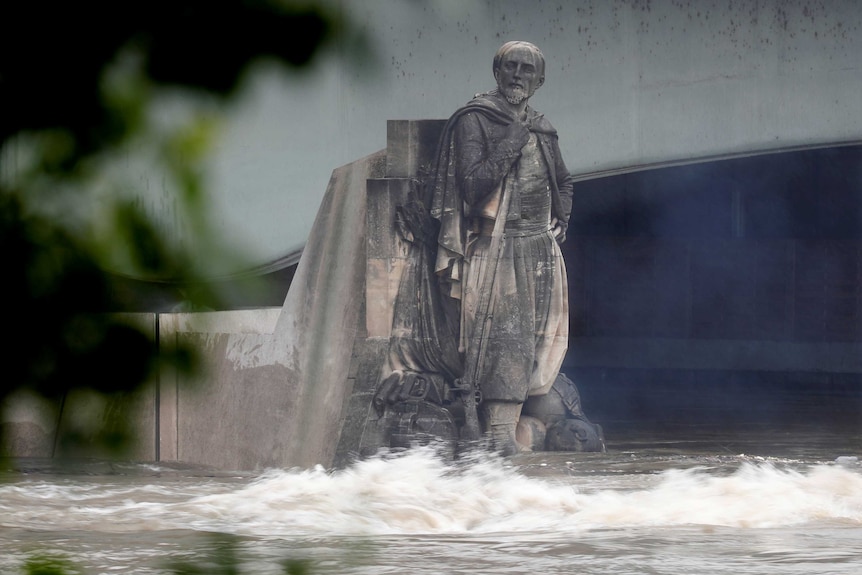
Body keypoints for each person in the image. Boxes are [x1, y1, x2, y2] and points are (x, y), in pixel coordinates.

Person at [427, 41, 574, 454]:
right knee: (504, 338)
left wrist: (562, 216)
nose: (517, 75)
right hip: (496, 246)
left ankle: (507, 430)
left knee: (537, 338)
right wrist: (512, 138)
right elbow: (472, 187)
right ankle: (497, 433)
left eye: (527, 70)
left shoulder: (542, 125)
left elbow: (563, 179)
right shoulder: (476, 119)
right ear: (496, 71)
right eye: (510, 66)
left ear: (539, 80)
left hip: (539, 247)